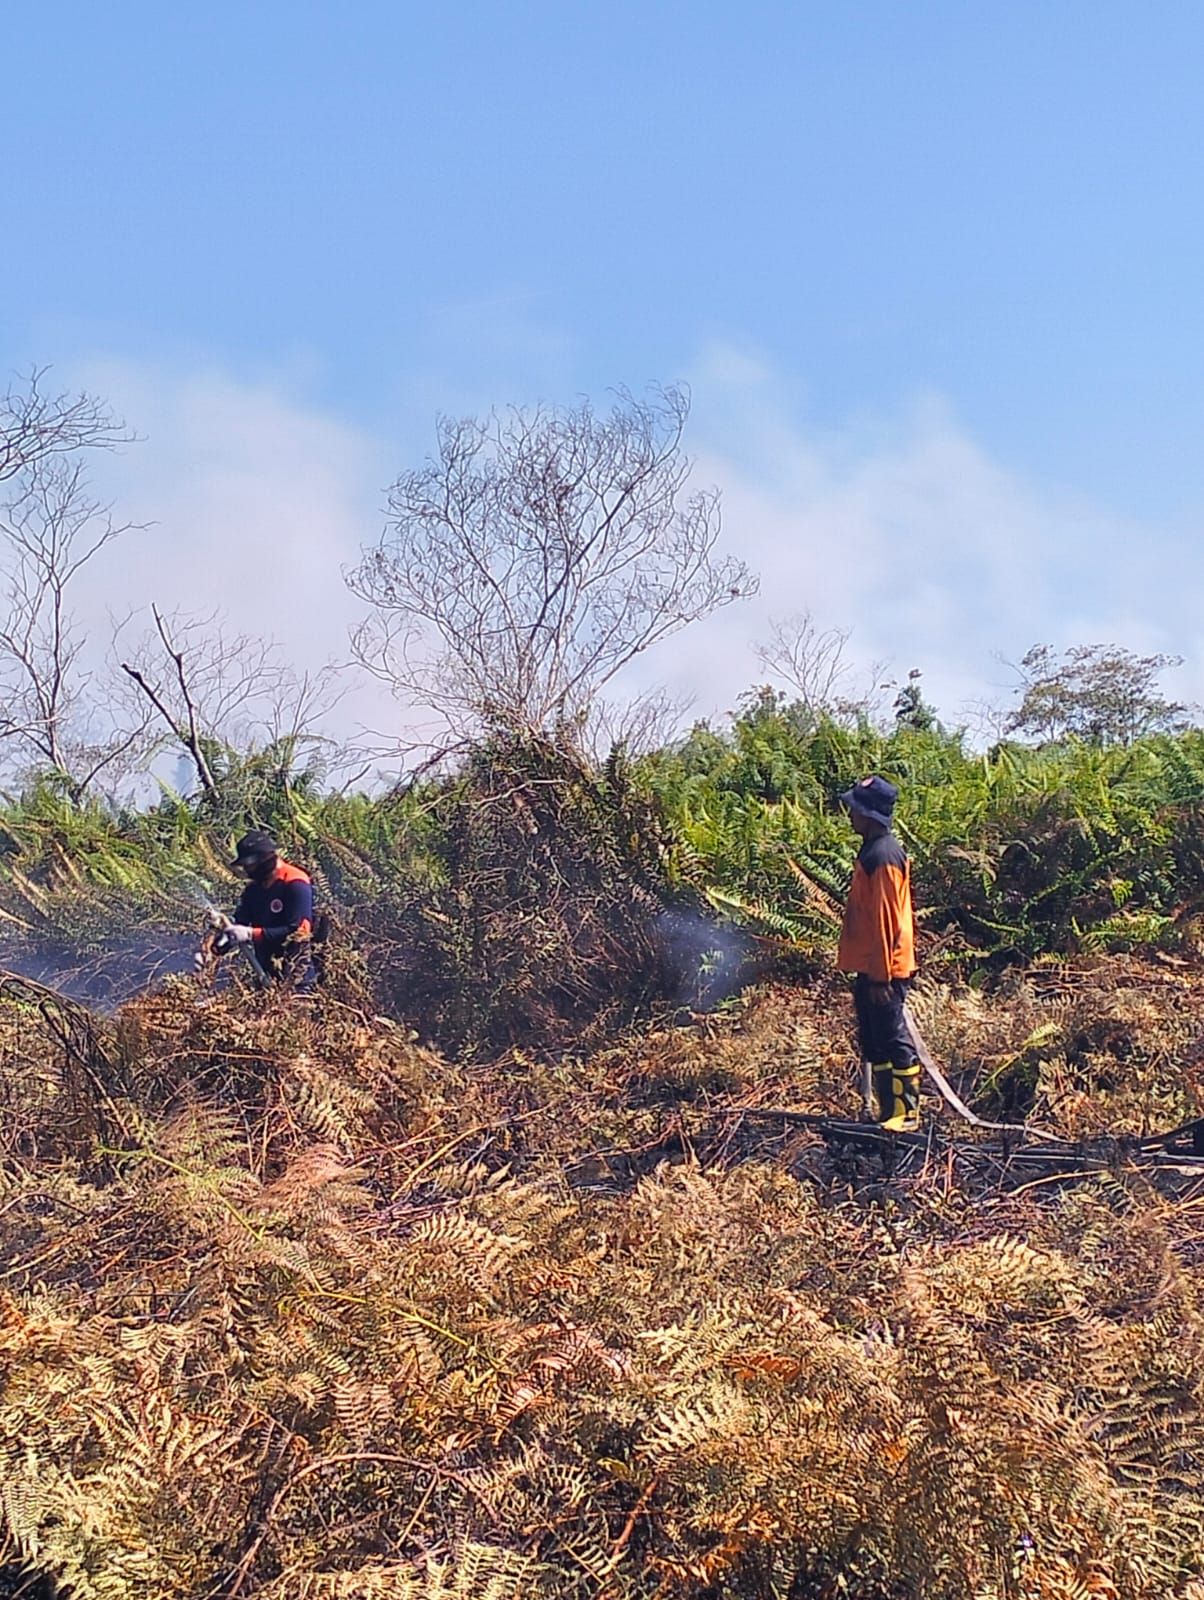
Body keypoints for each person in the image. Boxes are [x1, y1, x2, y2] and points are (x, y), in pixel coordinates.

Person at [836, 775, 920, 1132]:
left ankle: (907, 1114)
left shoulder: (884, 854)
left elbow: (887, 919)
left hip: (885, 971)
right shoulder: (871, 850)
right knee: (875, 1042)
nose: (850, 815)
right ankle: (888, 1112)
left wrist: (881, 977)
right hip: (870, 967)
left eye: (855, 808)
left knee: (893, 1039)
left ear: (869, 814)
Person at [198, 829, 317, 988]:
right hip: (264, 972)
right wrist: (222, 933)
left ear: (266, 859)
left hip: (296, 976)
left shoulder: (295, 882)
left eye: (250, 865)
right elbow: (240, 920)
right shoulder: (254, 889)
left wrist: (250, 934)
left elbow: (298, 930)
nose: (247, 871)